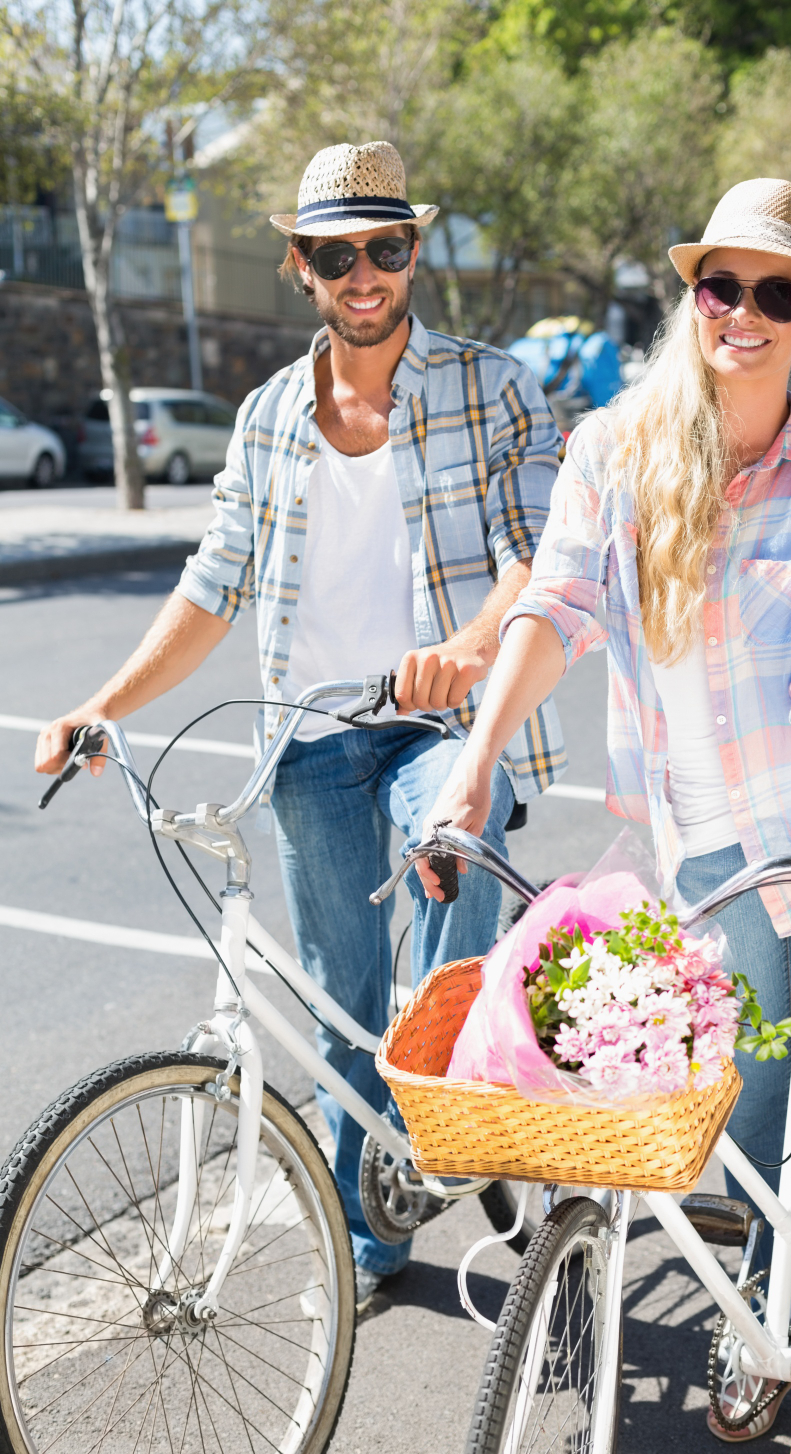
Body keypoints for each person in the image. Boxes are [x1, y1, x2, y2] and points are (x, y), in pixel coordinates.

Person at [418, 179, 791, 1454]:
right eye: (724, 286)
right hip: (711, 860)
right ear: (692, 296)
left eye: (776, 292)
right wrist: (474, 765)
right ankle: (760, 1323)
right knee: (742, 1109)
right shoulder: (613, 451)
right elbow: (560, 601)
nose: (744, 314)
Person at [34, 140, 566, 1313]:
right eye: (337, 253)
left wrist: (470, 652)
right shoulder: (270, 414)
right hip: (310, 743)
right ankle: (367, 1242)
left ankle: (457, 1115)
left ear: (413, 251)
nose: (364, 271)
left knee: (454, 849)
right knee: (336, 1001)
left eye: (386, 246)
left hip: (447, 724)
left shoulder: (495, 386)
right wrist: (96, 708)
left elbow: (537, 562)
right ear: (300, 264)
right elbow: (211, 585)